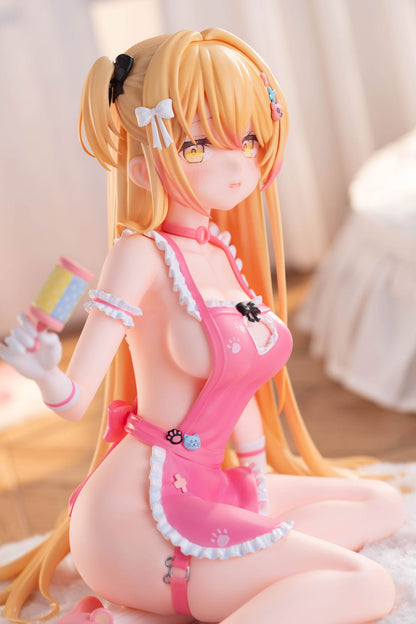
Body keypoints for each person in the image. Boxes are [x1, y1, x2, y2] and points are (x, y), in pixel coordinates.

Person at [0, 28, 405, 624]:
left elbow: (235, 382)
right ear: (144, 168)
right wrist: (42, 371)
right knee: (366, 584)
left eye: (247, 138)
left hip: (210, 479)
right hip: (136, 514)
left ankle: (160, 608)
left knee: (381, 501)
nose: (238, 161)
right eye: (198, 145)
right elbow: (75, 399)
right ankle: (197, 586)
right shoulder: (140, 254)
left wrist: (257, 476)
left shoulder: (218, 251)